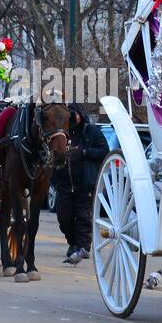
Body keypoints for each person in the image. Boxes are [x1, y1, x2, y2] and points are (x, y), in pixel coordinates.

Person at [53, 103, 109, 264]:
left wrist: (84, 152)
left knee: (83, 217)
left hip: (85, 184)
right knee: (64, 219)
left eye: (74, 114)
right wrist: (54, 180)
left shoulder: (92, 132)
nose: (71, 118)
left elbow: (104, 151)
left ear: (80, 115)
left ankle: (83, 248)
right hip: (64, 184)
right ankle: (74, 243)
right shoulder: (62, 134)